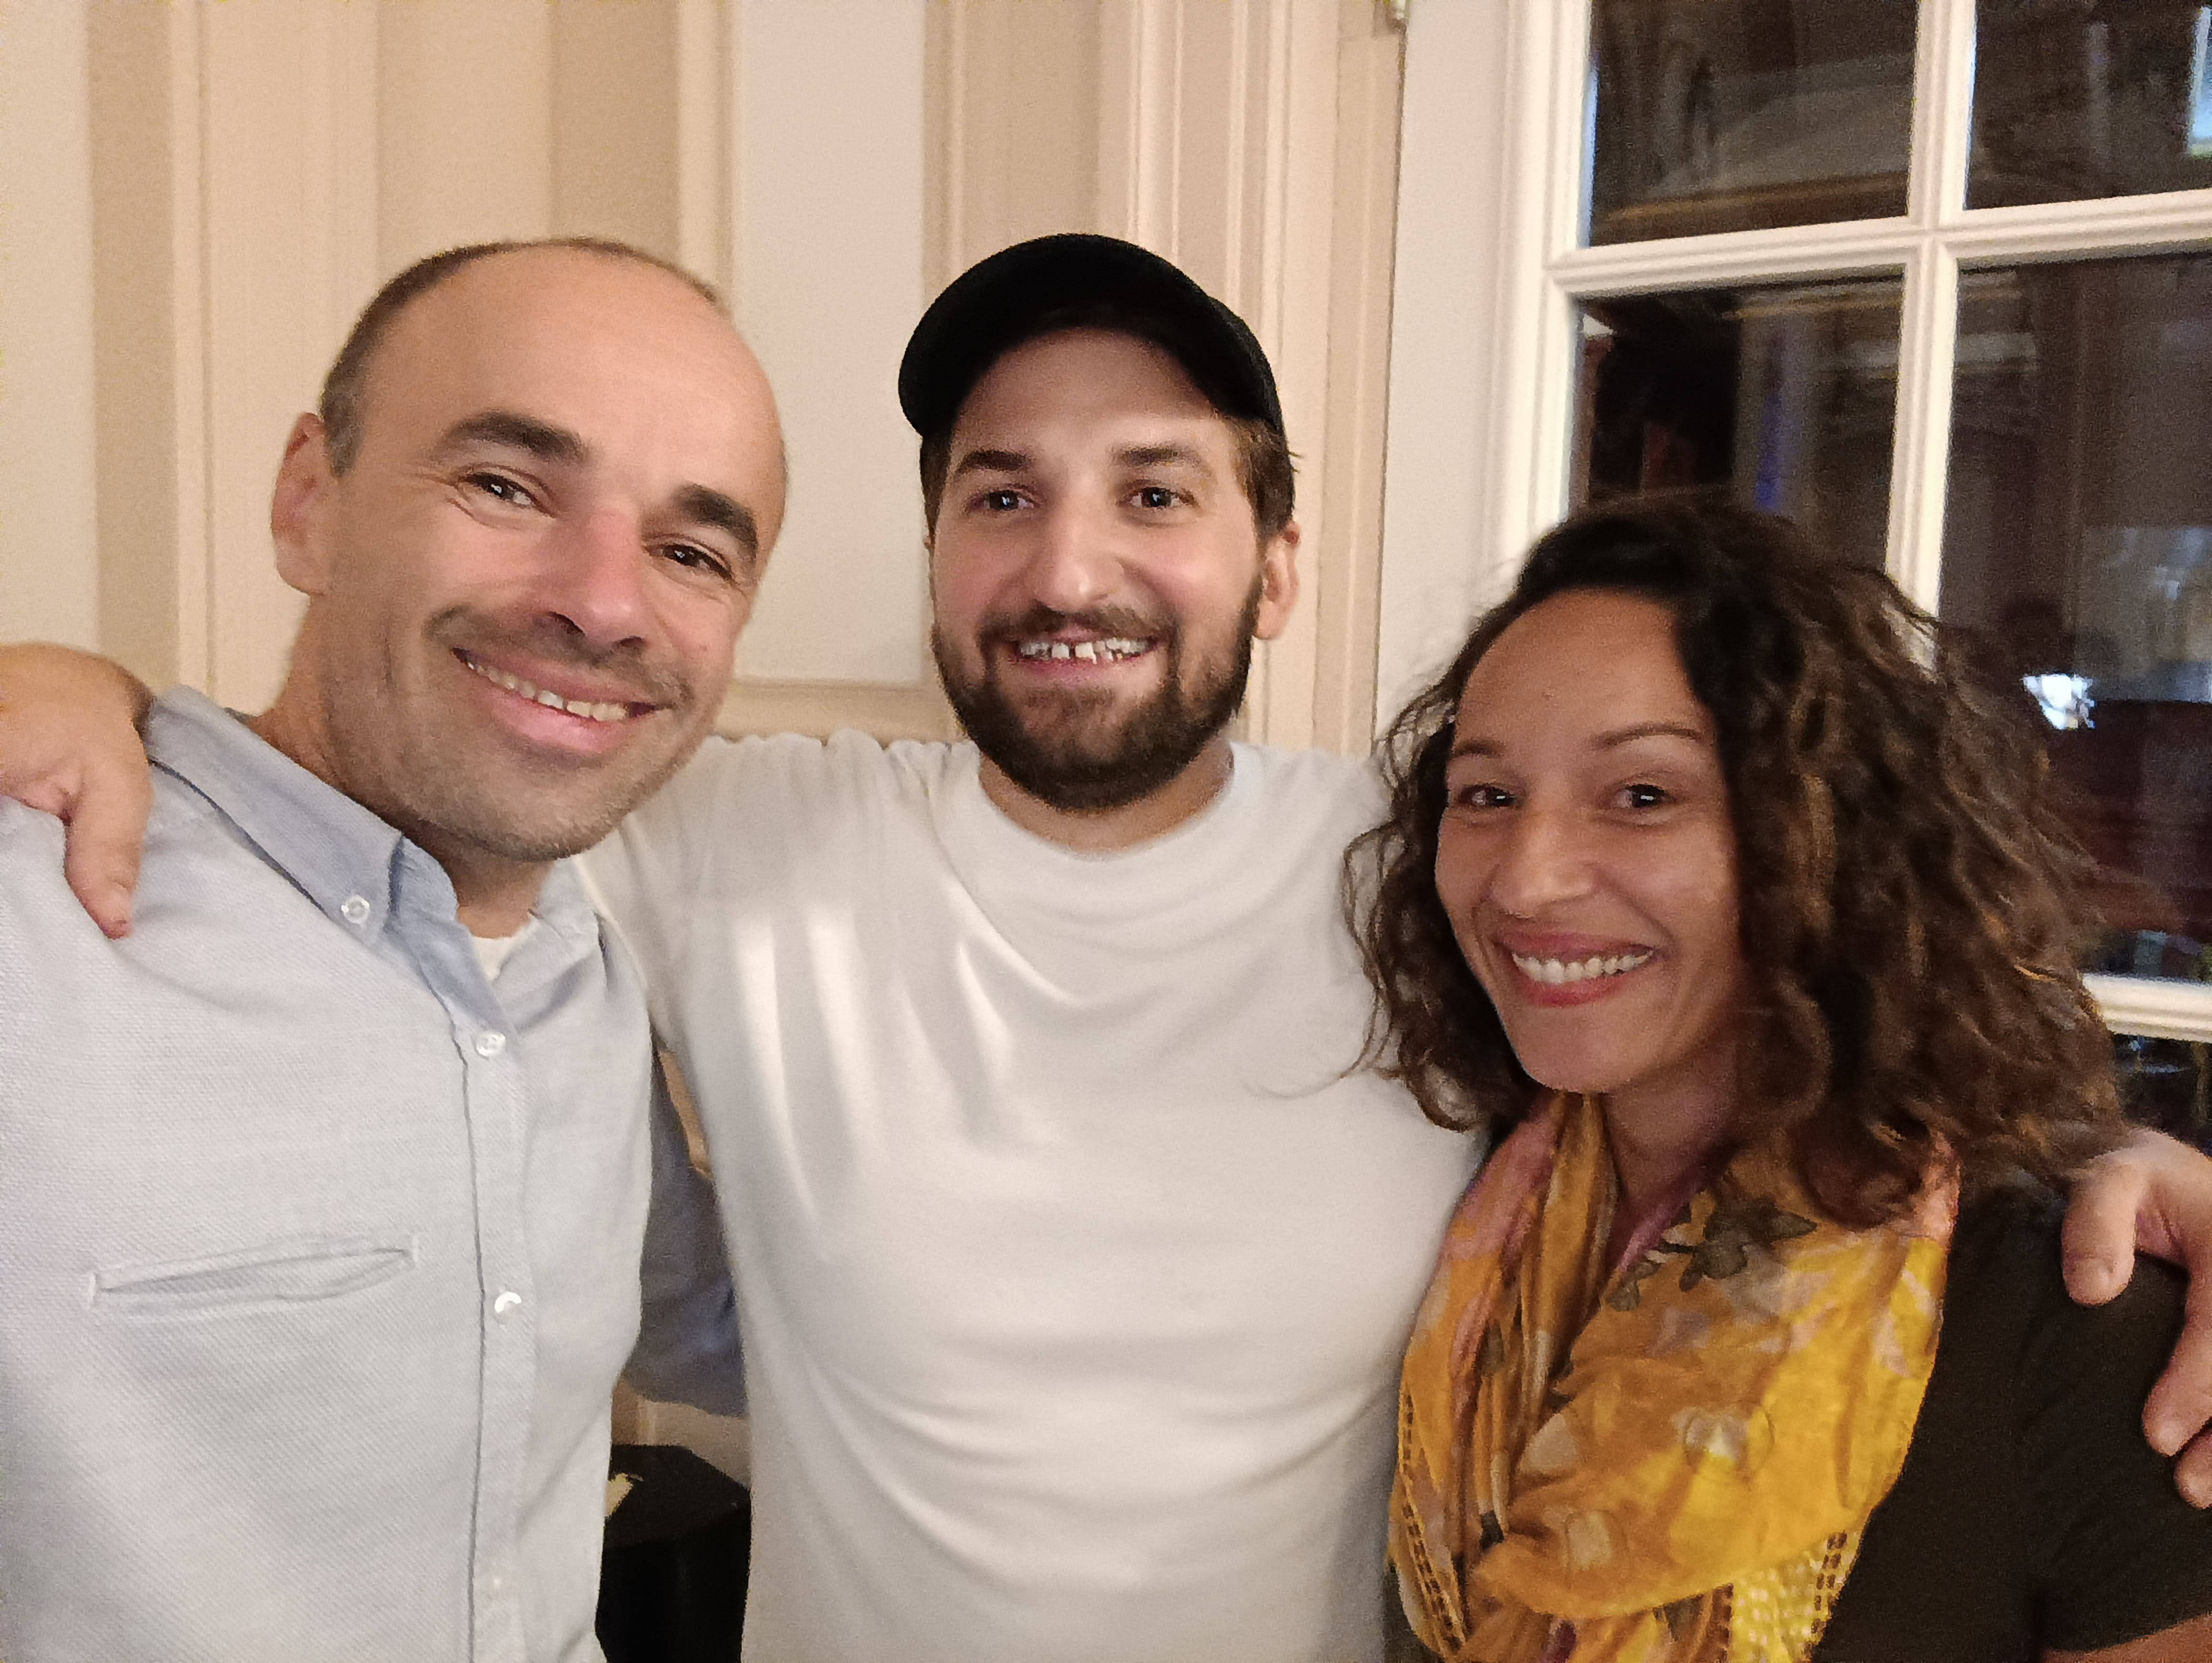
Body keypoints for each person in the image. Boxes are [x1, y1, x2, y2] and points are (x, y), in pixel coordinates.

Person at [10, 236, 2212, 1662]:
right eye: (1000, 492)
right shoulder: (724, 831)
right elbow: (464, 754)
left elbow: (1805, 1045)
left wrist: (2113, 1173)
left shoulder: (1435, 886)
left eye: (1157, 491)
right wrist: (75, 690)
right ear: (934, 554)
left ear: (1273, 563)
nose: (1070, 565)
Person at [0, 238, 778, 1662]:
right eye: (505, 486)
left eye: (689, 552)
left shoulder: (589, 979)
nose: (606, 603)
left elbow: (737, 1332)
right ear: (310, 501)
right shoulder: (33, 922)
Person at [1353, 499, 2212, 1660]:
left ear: (1825, 831)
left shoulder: (2076, 1326)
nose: (1526, 880)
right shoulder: (1460, 1201)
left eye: (1643, 795)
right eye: (1487, 796)